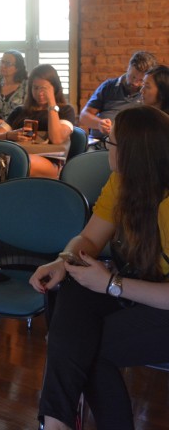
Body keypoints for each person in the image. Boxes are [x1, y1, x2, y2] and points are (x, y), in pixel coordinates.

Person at [29, 106, 169, 430]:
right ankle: (55, 422)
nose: (105, 145)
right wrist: (64, 261)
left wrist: (111, 284)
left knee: (84, 348)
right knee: (72, 287)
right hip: (140, 288)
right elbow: (89, 238)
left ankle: (55, 422)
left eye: (111, 141)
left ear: (133, 153)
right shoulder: (121, 182)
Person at [0, 64, 75, 178]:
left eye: (44, 88)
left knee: (21, 162)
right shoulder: (20, 111)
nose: (40, 93)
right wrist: (10, 135)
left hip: (50, 163)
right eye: (35, 88)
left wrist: (52, 103)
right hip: (17, 157)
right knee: (6, 162)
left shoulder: (65, 110)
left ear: (54, 88)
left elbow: (56, 138)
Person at [79, 51, 157, 140]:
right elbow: (84, 116)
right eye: (133, 77)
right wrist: (99, 124)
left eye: (141, 80)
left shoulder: (149, 93)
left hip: (130, 144)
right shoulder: (109, 86)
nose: (135, 83)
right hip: (100, 142)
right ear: (128, 68)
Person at [0, 50, 28, 129]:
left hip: (20, 132)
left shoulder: (27, 87)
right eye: (2, 62)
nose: (3, 66)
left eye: (8, 63)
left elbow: (30, 114)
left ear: (18, 68)